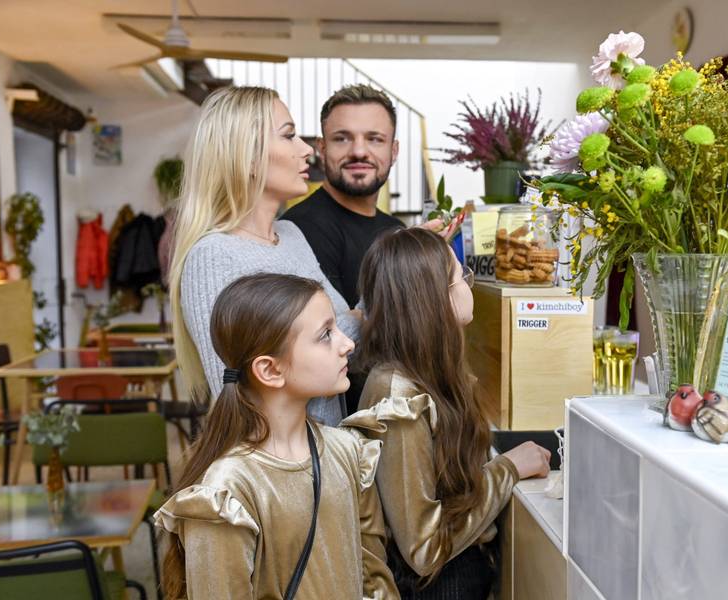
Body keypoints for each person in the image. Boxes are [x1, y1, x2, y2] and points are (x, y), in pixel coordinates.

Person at [156, 273, 398, 600]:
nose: (348, 344)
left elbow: (375, 580)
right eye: (326, 334)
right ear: (270, 370)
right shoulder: (226, 494)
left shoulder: (349, 450)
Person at [343, 228, 551, 599]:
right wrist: (508, 469)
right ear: (435, 298)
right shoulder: (398, 396)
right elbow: (423, 549)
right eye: (461, 276)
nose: (469, 285)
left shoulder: (429, 372)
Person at [169, 86, 359, 425]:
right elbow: (239, 401)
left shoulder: (291, 235)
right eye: (288, 135)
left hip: (327, 450)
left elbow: (340, 338)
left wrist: (406, 266)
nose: (306, 150)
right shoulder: (213, 257)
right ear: (249, 158)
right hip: (280, 457)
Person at [281, 84, 404, 309]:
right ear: (322, 148)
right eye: (342, 139)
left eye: (375, 139)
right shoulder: (298, 232)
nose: (359, 152)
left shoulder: (396, 229)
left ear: (394, 151)